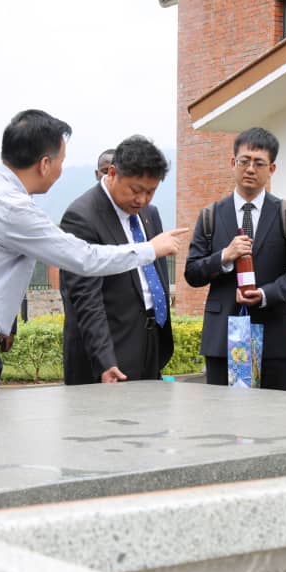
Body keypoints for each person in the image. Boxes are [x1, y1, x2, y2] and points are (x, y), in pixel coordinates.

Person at [0, 109, 188, 396]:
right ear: (44, 163)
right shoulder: (12, 206)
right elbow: (84, 259)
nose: (61, 171)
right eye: (61, 161)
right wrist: (150, 250)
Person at [184, 127, 286, 391]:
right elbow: (192, 273)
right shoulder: (210, 215)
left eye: (259, 163)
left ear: (272, 169)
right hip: (223, 335)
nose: (250, 169)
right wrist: (224, 257)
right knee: (222, 419)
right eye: (244, 161)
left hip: (273, 335)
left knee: (271, 419)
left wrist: (267, 293)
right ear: (233, 163)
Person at [60, 135, 173, 385]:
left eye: (150, 192)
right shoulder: (81, 217)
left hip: (150, 341)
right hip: (109, 349)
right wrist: (105, 360)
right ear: (111, 173)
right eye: (135, 190)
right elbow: (85, 299)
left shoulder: (149, 214)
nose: (142, 200)